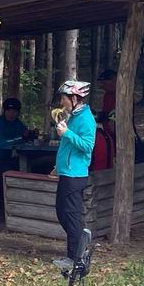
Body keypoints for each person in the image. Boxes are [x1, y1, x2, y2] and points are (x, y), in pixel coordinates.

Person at [51, 80, 96, 270]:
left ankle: (76, 258)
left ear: (75, 98)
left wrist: (67, 133)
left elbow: (87, 146)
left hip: (76, 175)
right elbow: (68, 147)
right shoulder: (74, 116)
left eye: (64, 98)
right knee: (63, 213)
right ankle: (77, 248)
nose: (62, 102)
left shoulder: (86, 119)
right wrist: (57, 166)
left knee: (70, 215)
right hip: (67, 172)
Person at [0, 98, 36, 197]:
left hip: (6, 158)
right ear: (4, 111)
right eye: (8, 111)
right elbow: (2, 143)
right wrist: (21, 137)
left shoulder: (17, 123)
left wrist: (31, 134)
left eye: (14, 111)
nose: (11, 114)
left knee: (29, 166)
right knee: (8, 172)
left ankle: (18, 196)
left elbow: (25, 133)